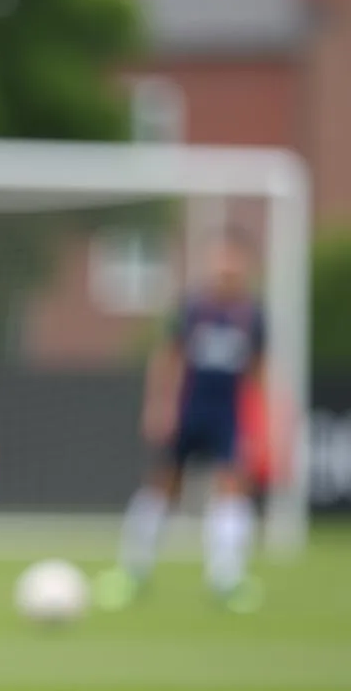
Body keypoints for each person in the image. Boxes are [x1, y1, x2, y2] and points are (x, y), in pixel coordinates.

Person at [95, 227, 265, 614]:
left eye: (234, 260)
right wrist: (160, 406)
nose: (227, 267)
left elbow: (258, 372)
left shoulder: (253, 315)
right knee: (161, 487)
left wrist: (259, 423)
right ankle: (133, 573)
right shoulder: (192, 308)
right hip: (187, 410)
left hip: (227, 415)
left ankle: (227, 579)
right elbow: (168, 359)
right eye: (221, 258)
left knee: (232, 489)